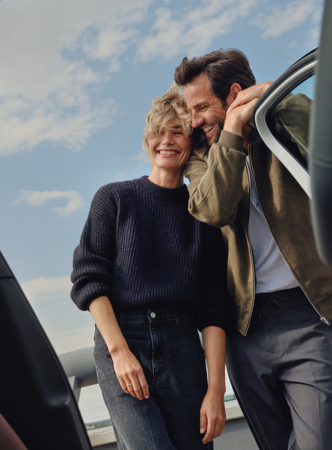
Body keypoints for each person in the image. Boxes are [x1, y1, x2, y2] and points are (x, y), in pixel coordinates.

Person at [174, 49, 332, 450]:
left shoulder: (282, 119)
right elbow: (212, 208)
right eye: (191, 110)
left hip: (307, 316)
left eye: (202, 106)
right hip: (245, 329)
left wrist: (279, 98)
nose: (195, 120)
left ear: (234, 93)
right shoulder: (202, 156)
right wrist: (232, 131)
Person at [70, 86, 233, 449]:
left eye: (178, 132)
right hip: (123, 342)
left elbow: (213, 306)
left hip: (182, 347)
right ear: (147, 142)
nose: (167, 141)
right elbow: (88, 280)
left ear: (191, 142)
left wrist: (216, 390)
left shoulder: (203, 214)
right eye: (159, 132)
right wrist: (119, 353)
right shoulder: (113, 199)